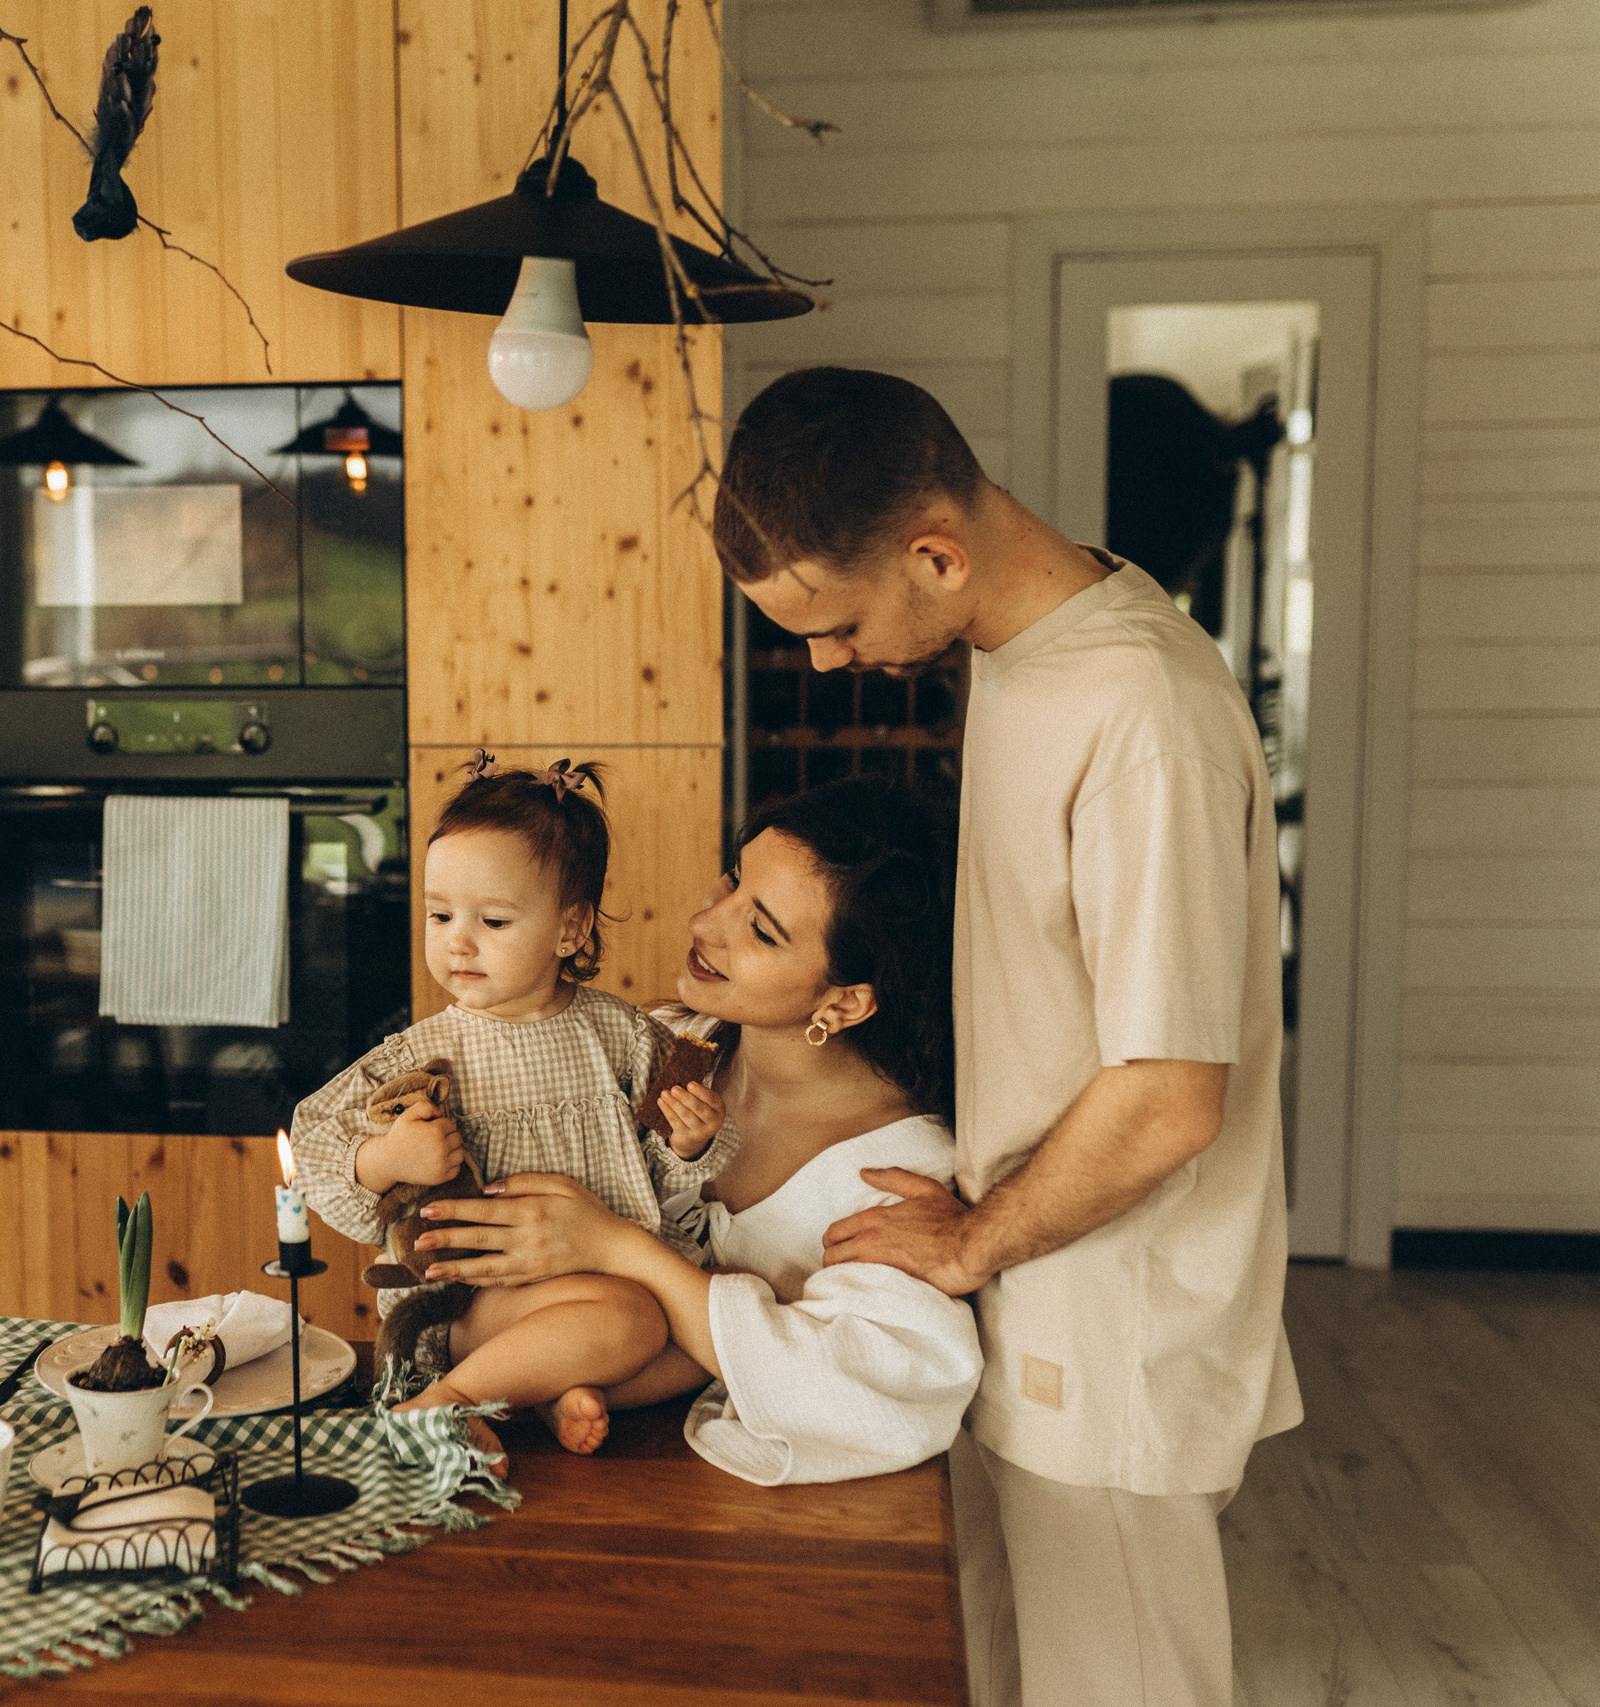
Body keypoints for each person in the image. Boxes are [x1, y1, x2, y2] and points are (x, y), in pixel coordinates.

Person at [720, 366, 1298, 1707]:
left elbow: (1169, 1095)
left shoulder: (1143, 715)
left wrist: (975, 1239)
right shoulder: (1020, 652)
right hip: (1034, 1279)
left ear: (936, 553)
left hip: (1112, 1317)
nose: (825, 661)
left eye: (838, 623)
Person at [411, 775, 985, 1488]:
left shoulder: (897, 1175)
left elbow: (875, 1397)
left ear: (843, 1002)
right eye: (733, 882)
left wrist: (612, 1245)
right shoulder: (665, 1049)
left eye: (762, 929)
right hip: (536, 1435)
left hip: (716, 1508)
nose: (705, 923)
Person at [288, 751, 728, 1470]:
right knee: (642, 1319)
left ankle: (539, 1392)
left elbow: (659, 1162)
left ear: (570, 929)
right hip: (471, 1303)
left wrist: (688, 1142)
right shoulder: (424, 1051)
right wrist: (386, 1157)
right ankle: (447, 1398)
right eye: (439, 914)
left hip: (602, 1283)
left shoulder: (620, 1034)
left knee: (712, 1344)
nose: (456, 940)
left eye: (492, 919)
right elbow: (311, 1140)